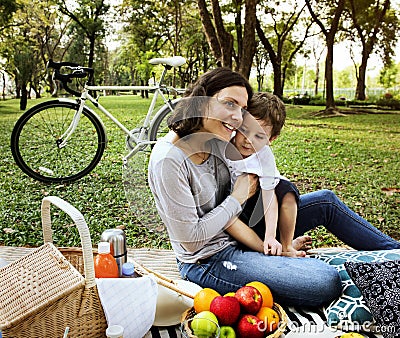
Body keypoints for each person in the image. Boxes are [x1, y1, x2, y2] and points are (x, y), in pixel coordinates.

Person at [147, 67, 400, 307]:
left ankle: (394, 252)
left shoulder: (216, 137)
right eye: (229, 104)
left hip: (244, 228)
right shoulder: (169, 160)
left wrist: (272, 230)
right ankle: (276, 254)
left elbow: (259, 180)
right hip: (210, 259)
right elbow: (191, 242)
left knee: (325, 201)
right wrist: (239, 199)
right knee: (324, 281)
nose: (237, 117)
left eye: (242, 108)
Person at [224, 92, 306, 258]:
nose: (249, 140)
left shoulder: (264, 156)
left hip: (256, 206)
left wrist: (270, 235)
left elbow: (269, 197)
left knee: (286, 189)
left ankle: (286, 245)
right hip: (232, 208)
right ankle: (271, 247)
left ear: (271, 139)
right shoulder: (225, 143)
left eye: (259, 136)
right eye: (244, 130)